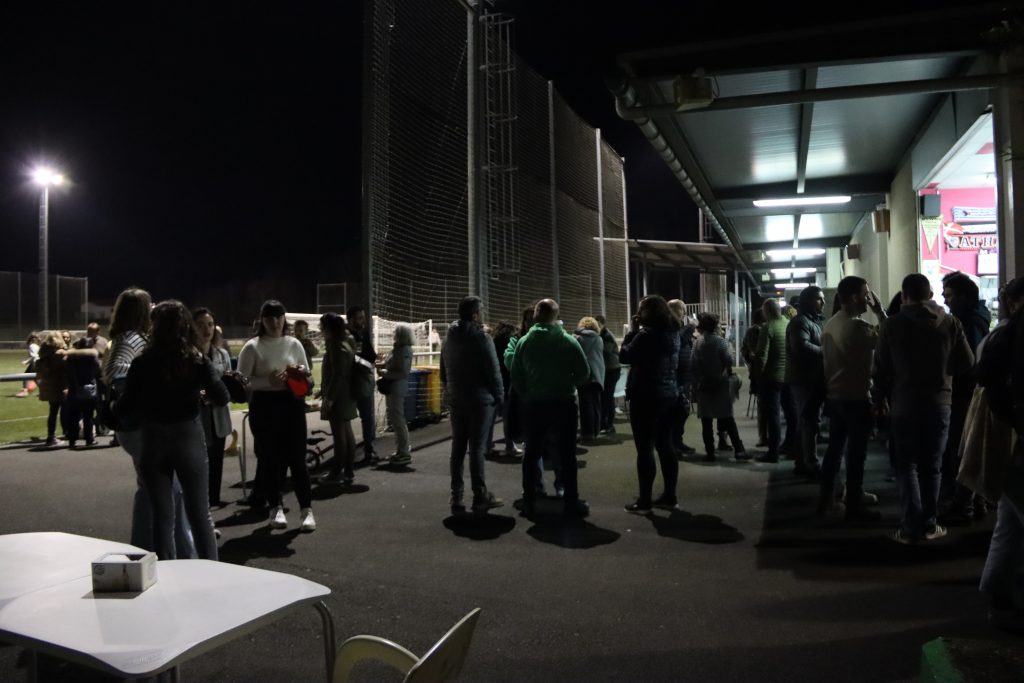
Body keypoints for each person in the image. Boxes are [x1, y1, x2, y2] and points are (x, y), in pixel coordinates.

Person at [117, 301, 228, 561]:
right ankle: (212, 570)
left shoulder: (142, 363)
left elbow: (124, 408)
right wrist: (200, 393)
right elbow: (221, 396)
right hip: (188, 436)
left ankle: (167, 571)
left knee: (162, 516)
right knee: (200, 513)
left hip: (154, 439)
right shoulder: (195, 360)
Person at [873, 273, 974, 544]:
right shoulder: (950, 323)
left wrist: (880, 398)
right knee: (933, 466)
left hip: (904, 404)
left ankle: (910, 527)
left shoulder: (892, 325)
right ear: (930, 295)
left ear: (904, 295)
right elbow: (967, 362)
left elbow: (880, 368)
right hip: (940, 403)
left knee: (906, 465)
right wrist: (944, 372)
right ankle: (929, 524)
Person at [104, 287, 196, 557]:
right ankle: (173, 554)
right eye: (149, 304)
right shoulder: (131, 339)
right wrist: (149, 384)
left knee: (153, 490)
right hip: (141, 426)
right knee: (169, 490)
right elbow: (116, 371)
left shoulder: (128, 338)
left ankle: (148, 551)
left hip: (137, 425)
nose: (154, 307)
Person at [238, 299, 317, 532]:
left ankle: (306, 510)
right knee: (271, 459)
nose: (275, 322)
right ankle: (276, 507)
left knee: (298, 459)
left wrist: (299, 374)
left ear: (284, 319)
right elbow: (241, 381)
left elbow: (308, 376)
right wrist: (266, 380)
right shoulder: (252, 347)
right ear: (262, 320)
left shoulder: (294, 344)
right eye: (270, 317)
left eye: (279, 317)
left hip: (292, 403)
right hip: (264, 405)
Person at [973, 277, 1024, 630]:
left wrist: (1011, 416)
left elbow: (984, 374)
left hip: (1015, 437)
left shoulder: (1004, 333)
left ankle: (998, 597)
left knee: (1009, 523)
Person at [510, 298, 591, 518]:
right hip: (564, 403)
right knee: (567, 454)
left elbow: (516, 375)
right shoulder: (568, 341)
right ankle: (571, 501)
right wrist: (569, 383)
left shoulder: (524, 342)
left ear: (536, 315)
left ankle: (529, 500)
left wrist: (528, 393)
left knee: (531, 453)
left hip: (535, 404)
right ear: (556, 316)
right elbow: (584, 373)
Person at [819, 276, 886, 521]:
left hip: (835, 396)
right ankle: (854, 503)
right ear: (855, 297)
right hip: (855, 398)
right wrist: (880, 312)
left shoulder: (832, 323)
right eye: (866, 295)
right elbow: (887, 338)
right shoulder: (856, 327)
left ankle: (828, 498)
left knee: (835, 450)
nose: (868, 300)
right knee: (856, 453)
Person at [440, 296, 504, 514]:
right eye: (481, 310)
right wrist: (500, 397)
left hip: (457, 399)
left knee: (457, 448)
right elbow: (493, 371)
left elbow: (443, 372)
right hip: (480, 401)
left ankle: (456, 495)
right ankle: (480, 495)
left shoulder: (449, 339)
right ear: (475, 315)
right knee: (476, 449)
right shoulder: (482, 338)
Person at [619, 295, 682, 513]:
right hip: (669, 394)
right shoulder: (674, 333)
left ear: (649, 312)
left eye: (641, 309)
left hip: (645, 396)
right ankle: (670, 496)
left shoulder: (646, 335)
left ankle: (644, 501)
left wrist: (632, 331)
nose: (638, 313)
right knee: (666, 445)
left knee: (645, 449)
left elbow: (625, 355)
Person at [940, 272, 993, 521]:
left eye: (949, 295)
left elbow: (966, 361)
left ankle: (964, 504)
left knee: (960, 448)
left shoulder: (966, 322)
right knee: (970, 446)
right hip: (972, 391)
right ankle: (976, 501)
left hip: (964, 393)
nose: (944, 299)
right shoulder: (979, 317)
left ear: (962, 296)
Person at [691, 312, 748, 462]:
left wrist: (697, 382)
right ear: (715, 326)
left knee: (706, 422)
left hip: (704, 385)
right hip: (720, 384)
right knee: (727, 418)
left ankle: (710, 453)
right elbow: (728, 360)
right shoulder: (720, 342)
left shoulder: (697, 343)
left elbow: (693, 364)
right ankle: (739, 450)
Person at [785, 286, 827, 478]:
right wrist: (825, 352)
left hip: (810, 379)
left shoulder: (812, 321)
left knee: (808, 422)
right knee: (809, 423)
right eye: (819, 299)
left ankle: (803, 462)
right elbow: (800, 346)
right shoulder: (800, 322)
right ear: (808, 301)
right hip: (804, 380)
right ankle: (810, 464)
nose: (823, 302)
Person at [193, 308, 233, 507]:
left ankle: (214, 498)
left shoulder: (222, 354)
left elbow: (228, 382)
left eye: (209, 324)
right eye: (200, 325)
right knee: (199, 461)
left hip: (218, 414)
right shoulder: (188, 354)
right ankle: (200, 502)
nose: (206, 329)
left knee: (217, 458)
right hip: (196, 415)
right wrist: (203, 395)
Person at [319, 312, 358, 485]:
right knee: (347, 434)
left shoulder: (336, 345)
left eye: (322, 326)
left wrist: (329, 398)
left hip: (339, 396)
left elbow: (337, 375)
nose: (320, 330)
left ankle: (336, 473)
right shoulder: (347, 341)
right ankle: (348, 471)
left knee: (340, 436)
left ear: (329, 328)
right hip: (346, 393)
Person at [754, 300, 788, 464]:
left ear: (766, 311)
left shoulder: (768, 327)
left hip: (771, 378)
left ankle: (773, 452)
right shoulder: (787, 324)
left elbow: (762, 355)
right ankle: (789, 446)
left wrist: (758, 376)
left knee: (773, 416)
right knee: (790, 414)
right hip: (787, 376)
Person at [502, 307, 536, 455]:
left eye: (533, 319)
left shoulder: (548, 337)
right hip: (522, 392)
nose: (529, 323)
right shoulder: (517, 338)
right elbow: (509, 358)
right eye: (527, 320)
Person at [347, 306, 378, 463]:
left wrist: (374, 360)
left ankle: (368, 450)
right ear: (350, 319)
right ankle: (346, 453)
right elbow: (351, 358)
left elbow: (370, 356)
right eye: (359, 318)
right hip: (348, 383)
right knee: (344, 419)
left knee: (367, 417)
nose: (363, 321)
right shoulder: (345, 336)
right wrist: (367, 364)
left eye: (363, 318)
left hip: (362, 382)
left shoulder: (362, 334)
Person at [380, 323, 414, 466]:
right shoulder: (399, 348)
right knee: (396, 419)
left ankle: (404, 451)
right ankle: (401, 449)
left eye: (396, 332)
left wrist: (385, 373)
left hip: (397, 387)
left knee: (398, 419)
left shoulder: (404, 350)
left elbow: (403, 372)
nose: (393, 334)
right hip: (393, 386)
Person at [667, 300, 697, 458]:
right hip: (676, 377)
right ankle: (672, 445)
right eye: (682, 310)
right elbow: (679, 339)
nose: (684, 313)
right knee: (676, 412)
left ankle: (678, 441)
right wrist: (691, 326)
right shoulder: (670, 326)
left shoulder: (678, 326)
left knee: (683, 411)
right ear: (674, 310)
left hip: (684, 376)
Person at [64, 336, 101, 448]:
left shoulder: (71, 358)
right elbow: (98, 372)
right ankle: (89, 439)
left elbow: (68, 373)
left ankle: (72, 440)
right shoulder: (92, 358)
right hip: (89, 391)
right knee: (88, 416)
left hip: (74, 390)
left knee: (73, 416)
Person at [491, 320, 521, 456]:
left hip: (495, 381)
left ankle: (487, 444)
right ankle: (510, 445)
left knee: (492, 417)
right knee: (507, 417)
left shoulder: (493, 341)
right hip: (507, 381)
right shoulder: (511, 342)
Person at [34, 332, 69, 447]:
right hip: (60, 386)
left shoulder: (44, 355)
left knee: (53, 412)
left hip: (48, 386)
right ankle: (64, 434)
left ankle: (51, 436)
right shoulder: (59, 355)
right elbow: (64, 371)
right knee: (65, 410)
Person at [574, 317, 605, 443]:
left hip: (585, 374)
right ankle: (596, 431)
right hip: (598, 374)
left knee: (585, 405)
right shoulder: (599, 339)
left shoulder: (577, 338)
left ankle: (587, 433)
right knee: (596, 404)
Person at [742, 309, 768, 448]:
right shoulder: (761, 330)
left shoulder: (751, 331)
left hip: (757, 372)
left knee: (762, 405)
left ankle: (764, 436)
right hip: (764, 372)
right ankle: (765, 436)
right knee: (765, 406)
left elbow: (745, 350)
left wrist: (750, 360)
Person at [594, 314, 622, 436]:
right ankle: (604, 424)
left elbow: (605, 351)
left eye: (598, 324)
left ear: (602, 324)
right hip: (609, 369)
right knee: (605, 397)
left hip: (611, 370)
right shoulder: (603, 335)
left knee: (607, 398)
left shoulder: (606, 336)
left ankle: (609, 425)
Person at [16, 333, 40, 398]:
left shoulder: (32, 346)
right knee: (35, 378)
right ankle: (43, 392)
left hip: (35, 364)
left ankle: (25, 391)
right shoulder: (36, 346)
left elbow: (34, 356)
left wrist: (26, 362)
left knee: (25, 376)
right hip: (38, 363)